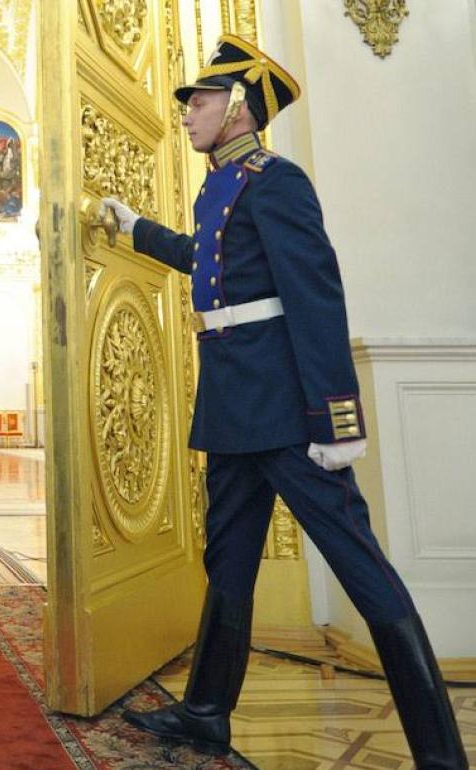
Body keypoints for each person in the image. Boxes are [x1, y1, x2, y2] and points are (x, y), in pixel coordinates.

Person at [100, 35, 466, 765]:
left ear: (237, 107)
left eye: (199, 100)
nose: (187, 113)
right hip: (235, 404)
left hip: (288, 412)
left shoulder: (278, 180)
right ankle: (207, 711)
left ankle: (441, 752)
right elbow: (209, 266)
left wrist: (336, 418)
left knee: (361, 567)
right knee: (229, 560)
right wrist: (138, 230)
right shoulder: (218, 186)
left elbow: (315, 299)